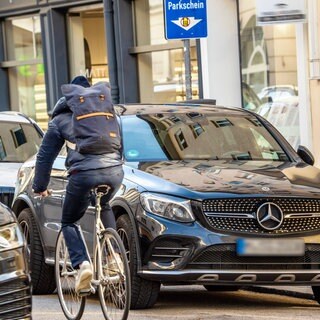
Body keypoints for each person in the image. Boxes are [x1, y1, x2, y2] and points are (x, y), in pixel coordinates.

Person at [32, 76, 124, 294]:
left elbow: (44, 158)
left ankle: (82, 265)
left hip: (83, 175)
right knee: (105, 204)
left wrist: (40, 186)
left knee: (69, 221)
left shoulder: (60, 120)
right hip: (114, 172)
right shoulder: (106, 115)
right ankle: (115, 257)